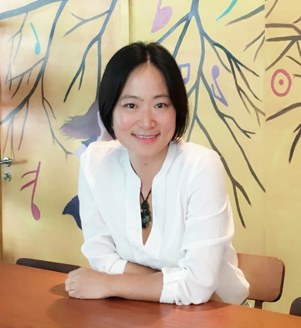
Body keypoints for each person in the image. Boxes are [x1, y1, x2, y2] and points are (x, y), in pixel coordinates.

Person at [65, 42, 249, 305]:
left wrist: (108, 283)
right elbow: (100, 256)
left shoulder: (201, 167)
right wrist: (175, 282)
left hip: (216, 316)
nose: (146, 121)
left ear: (177, 109)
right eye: (131, 105)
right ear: (109, 110)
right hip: (138, 311)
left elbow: (197, 287)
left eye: (160, 105)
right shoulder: (95, 164)